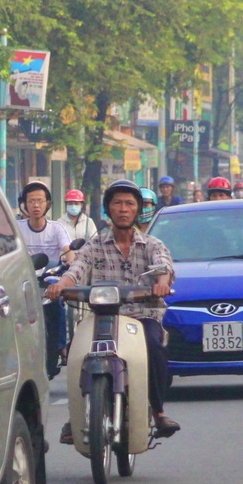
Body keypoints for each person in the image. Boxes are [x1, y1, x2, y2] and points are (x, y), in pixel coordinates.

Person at [46, 179, 179, 438]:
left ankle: (158, 412)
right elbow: (76, 270)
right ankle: (77, 416)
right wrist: (60, 285)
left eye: (129, 204)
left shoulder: (152, 244)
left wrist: (162, 283)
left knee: (155, 347)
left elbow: (163, 267)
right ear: (108, 209)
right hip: (101, 317)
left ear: (138, 210)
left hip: (142, 317)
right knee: (75, 352)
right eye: (117, 203)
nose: (123, 209)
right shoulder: (94, 246)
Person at [18, 179, 73, 380]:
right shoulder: (17, 228)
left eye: (40, 201)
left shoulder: (57, 228)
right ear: (24, 204)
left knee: (57, 305)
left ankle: (60, 346)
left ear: (48, 204)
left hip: (50, 280)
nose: (36, 205)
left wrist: (69, 261)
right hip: (24, 281)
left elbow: (68, 251)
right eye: (31, 201)